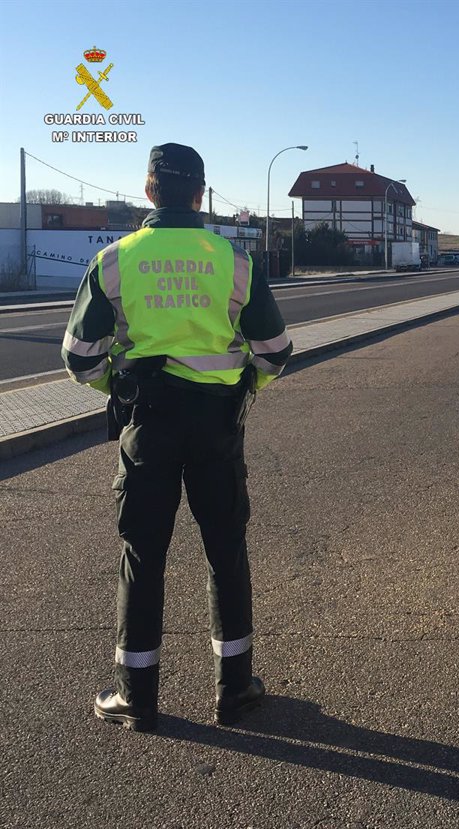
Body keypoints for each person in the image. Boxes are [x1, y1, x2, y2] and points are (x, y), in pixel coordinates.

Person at [61, 143, 293, 731]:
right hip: (217, 426)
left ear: (148, 191)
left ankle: (136, 697)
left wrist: (122, 387)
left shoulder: (115, 260)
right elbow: (275, 353)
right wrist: (243, 389)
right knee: (225, 550)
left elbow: (79, 357)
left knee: (142, 555)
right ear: (199, 195)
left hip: (149, 426)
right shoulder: (233, 260)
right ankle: (234, 690)